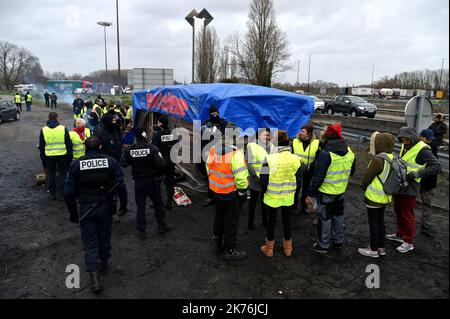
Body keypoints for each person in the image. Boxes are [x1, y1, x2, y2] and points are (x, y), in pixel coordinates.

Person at [64, 136, 127, 293]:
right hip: (106, 207)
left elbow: (68, 193)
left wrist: (73, 213)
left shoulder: (76, 165)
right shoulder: (110, 162)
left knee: (90, 242)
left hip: (86, 208)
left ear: (85, 148)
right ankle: (104, 263)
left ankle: (94, 279)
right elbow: (121, 185)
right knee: (104, 236)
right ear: (100, 147)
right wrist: (123, 206)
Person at [386, 127, 441, 253]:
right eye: (402, 139)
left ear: (412, 137)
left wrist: (417, 174)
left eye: (406, 139)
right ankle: (399, 234)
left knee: (407, 214)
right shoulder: (405, 145)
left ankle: (409, 242)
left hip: (411, 186)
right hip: (400, 184)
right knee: (398, 210)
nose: (404, 141)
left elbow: (436, 165)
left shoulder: (422, 149)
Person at [305, 123, 356, 254]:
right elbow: (352, 171)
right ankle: (338, 241)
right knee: (338, 216)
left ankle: (323, 245)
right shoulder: (349, 152)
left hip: (326, 192)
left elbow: (318, 177)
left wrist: (310, 193)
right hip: (341, 191)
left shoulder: (326, 154)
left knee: (325, 218)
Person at [206, 123, 249, 260]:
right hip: (231, 193)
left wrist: (215, 183)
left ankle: (218, 242)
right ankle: (230, 250)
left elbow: (208, 167)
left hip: (217, 191)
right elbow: (241, 177)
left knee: (219, 216)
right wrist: (242, 191)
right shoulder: (236, 153)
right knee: (231, 221)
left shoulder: (213, 148)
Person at [121, 127, 171, 238]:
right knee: (158, 204)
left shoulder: (129, 149)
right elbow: (161, 164)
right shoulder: (152, 148)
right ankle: (161, 226)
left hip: (139, 182)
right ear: (145, 136)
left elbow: (123, 163)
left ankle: (141, 230)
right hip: (152, 181)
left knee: (141, 206)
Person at [260, 131, 303, 257]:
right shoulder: (296, 159)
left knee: (271, 221)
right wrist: (295, 194)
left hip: (272, 196)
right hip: (288, 196)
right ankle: (288, 248)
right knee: (287, 221)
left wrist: (264, 192)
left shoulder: (269, 158)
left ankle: (269, 249)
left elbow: (263, 179)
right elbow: (299, 180)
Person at [358, 132, 395, 258]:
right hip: (385, 196)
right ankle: (381, 247)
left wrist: (363, 187)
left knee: (373, 223)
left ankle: (373, 250)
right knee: (380, 222)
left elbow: (367, 178)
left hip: (374, 198)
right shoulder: (392, 157)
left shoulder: (378, 160)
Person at [38, 112, 73, 200]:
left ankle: (52, 194)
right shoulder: (63, 128)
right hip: (62, 155)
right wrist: (70, 155)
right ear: (57, 118)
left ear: (48, 118)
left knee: (51, 174)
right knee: (63, 174)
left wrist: (42, 157)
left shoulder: (44, 129)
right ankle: (63, 193)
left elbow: (42, 145)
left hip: (49, 156)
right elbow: (68, 143)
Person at [201, 106, 230, 207]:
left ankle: (220, 194)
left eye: (216, 113)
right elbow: (202, 140)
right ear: (210, 114)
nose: (215, 115)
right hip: (210, 153)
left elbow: (229, 137)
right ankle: (211, 196)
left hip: (222, 153)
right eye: (212, 113)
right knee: (210, 175)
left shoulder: (224, 123)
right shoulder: (206, 124)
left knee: (222, 174)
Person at [246, 128, 274, 230]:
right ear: (258, 136)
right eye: (264, 135)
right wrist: (254, 175)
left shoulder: (271, 146)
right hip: (255, 179)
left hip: (267, 179)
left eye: (268, 135)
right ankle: (250, 222)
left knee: (265, 202)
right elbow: (248, 163)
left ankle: (264, 221)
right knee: (252, 202)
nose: (266, 137)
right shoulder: (252, 146)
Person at [292, 123, 320, 215]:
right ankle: (294, 207)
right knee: (295, 189)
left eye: (303, 131)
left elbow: (318, 158)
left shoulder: (316, 143)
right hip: (296, 169)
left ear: (309, 133)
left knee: (305, 190)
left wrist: (313, 166)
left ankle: (303, 208)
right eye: (301, 131)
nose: (301, 133)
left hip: (309, 170)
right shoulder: (295, 141)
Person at [152, 115, 178, 209]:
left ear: (161, 123)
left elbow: (154, 149)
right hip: (171, 161)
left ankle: (157, 202)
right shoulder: (173, 133)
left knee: (157, 181)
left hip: (160, 162)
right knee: (170, 182)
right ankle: (169, 203)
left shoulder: (157, 135)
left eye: (158, 122)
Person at [418, 129, 439, 237]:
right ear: (421, 137)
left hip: (427, 181)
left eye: (431, 139)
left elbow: (435, 166)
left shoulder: (431, 147)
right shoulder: (418, 146)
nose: (430, 141)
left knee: (427, 203)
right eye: (428, 139)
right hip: (418, 180)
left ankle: (425, 224)